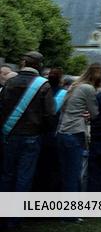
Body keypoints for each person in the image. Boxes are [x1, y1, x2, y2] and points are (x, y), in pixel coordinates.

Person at [0, 51, 55, 201]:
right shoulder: (44, 85)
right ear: (40, 66)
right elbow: (49, 114)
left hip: (9, 134)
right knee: (24, 176)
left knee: (7, 174)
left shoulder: (10, 82)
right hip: (32, 135)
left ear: (24, 63)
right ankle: (15, 218)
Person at [56, 62, 101, 192]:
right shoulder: (88, 88)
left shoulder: (74, 86)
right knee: (74, 175)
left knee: (65, 174)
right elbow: (95, 113)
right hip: (75, 133)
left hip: (62, 132)